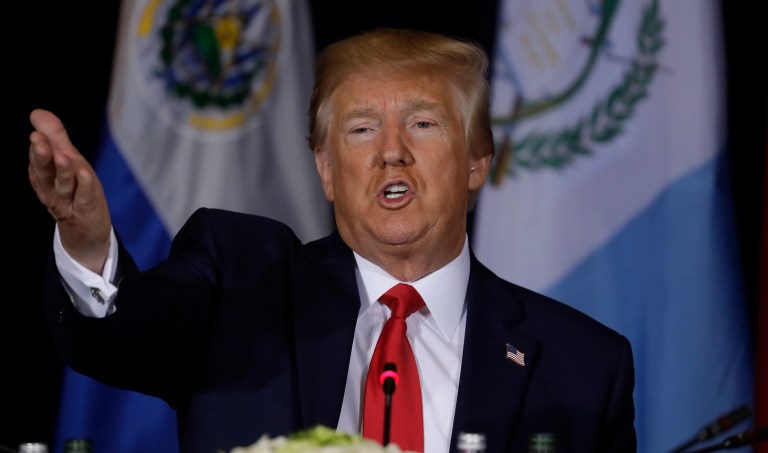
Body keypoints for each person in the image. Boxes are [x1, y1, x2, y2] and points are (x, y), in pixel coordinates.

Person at [28, 28, 636, 453]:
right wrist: (88, 243)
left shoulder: (584, 367)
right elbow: (125, 339)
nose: (392, 151)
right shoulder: (241, 287)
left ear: (477, 162)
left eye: (423, 123)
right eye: (361, 129)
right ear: (325, 169)